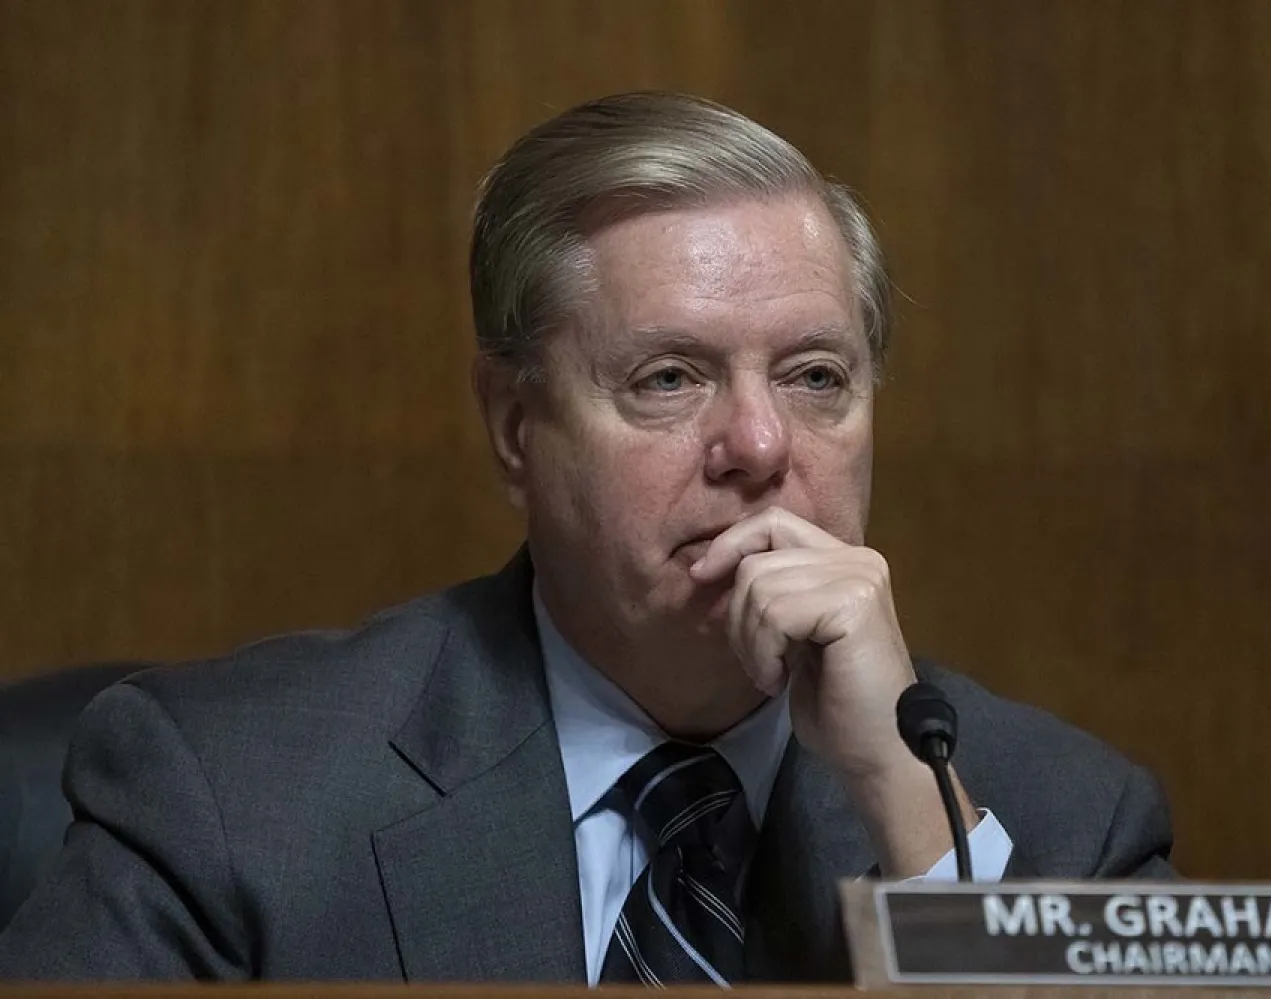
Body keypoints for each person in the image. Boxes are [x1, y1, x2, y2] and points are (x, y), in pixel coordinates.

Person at [0, 92, 1171, 983]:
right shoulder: (231, 795)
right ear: (517, 427)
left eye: (816, 377)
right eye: (670, 379)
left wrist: (914, 814)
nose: (761, 444)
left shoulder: (1067, 824)